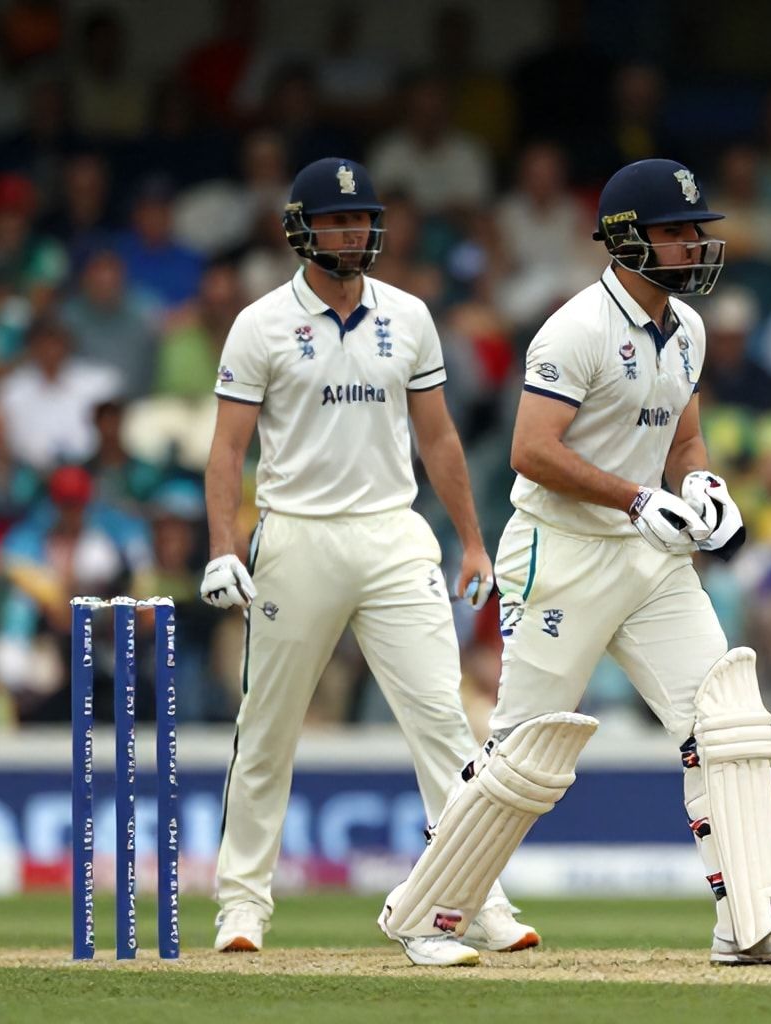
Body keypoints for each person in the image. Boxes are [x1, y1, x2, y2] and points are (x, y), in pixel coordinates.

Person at [376, 158, 771, 968]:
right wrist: (632, 496)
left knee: (725, 718)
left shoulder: (686, 328)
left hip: (650, 554)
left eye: (697, 232)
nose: (694, 246)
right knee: (529, 748)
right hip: (560, 553)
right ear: (627, 241)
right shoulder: (576, 329)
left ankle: (756, 921)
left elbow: (684, 439)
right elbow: (529, 451)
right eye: (676, 233)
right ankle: (425, 914)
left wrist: (700, 485)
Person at [200, 159, 534, 956]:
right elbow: (227, 449)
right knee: (268, 730)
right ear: (301, 231)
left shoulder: (410, 316)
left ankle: (475, 897)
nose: (357, 233)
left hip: (393, 532)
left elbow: (440, 437)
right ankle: (242, 906)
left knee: (444, 725)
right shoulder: (260, 324)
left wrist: (473, 540)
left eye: (364, 220)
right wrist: (222, 549)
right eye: (341, 221)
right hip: (298, 535)